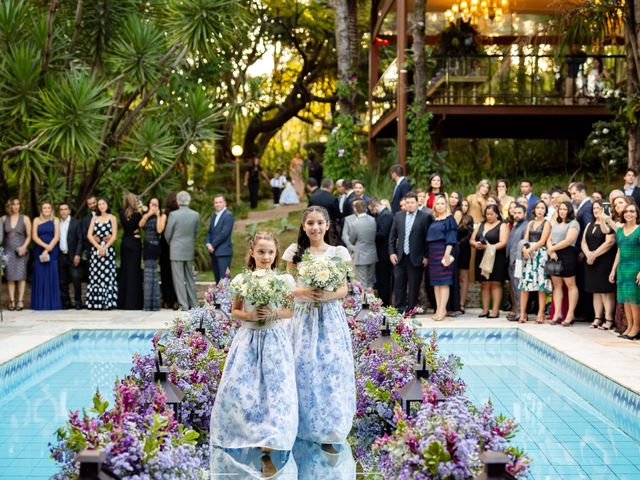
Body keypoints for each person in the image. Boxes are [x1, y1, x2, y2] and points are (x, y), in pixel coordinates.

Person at [210, 232, 297, 450]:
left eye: (270, 252)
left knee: (274, 389)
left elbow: (289, 312)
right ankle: (247, 432)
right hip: (248, 339)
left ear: (276, 253)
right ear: (252, 253)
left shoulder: (283, 280)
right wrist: (250, 316)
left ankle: (272, 438)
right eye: (261, 252)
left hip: (274, 339)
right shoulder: (242, 280)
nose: (265, 256)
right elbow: (235, 311)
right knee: (243, 387)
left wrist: (272, 314)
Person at [282, 206, 355, 445]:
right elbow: (288, 289)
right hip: (303, 317)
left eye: (319, 223)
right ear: (304, 226)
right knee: (302, 365)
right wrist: (308, 292)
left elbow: (344, 288)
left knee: (330, 367)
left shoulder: (338, 252)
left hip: (330, 317)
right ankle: (302, 423)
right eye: (310, 223)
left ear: (327, 225)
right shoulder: (295, 252)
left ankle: (329, 424)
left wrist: (326, 295)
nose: (315, 227)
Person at [388, 192, 429, 313]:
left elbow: (427, 239)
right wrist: (392, 253)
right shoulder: (398, 216)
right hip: (400, 257)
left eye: (412, 202)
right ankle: (399, 309)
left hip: (416, 257)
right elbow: (392, 237)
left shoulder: (425, 217)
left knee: (414, 286)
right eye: (407, 203)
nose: (410, 205)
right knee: (399, 285)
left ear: (417, 203)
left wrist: (426, 256)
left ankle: (411, 310)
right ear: (404, 204)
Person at [582, 200, 617, 330]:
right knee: (595, 291)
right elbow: (583, 241)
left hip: (604, 260)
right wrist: (587, 254)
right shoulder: (589, 224)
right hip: (591, 261)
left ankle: (608, 319)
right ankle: (597, 318)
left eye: (599, 207)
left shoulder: (608, 224)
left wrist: (594, 255)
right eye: (594, 208)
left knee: (606, 291)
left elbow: (609, 242)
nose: (596, 210)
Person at [471, 204, 508, 318]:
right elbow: (472, 239)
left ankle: (495, 311)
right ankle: (485, 310)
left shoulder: (502, 225)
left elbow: (503, 242)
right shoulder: (481, 225)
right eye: (487, 214)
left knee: (495, 283)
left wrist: (489, 247)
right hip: (481, 257)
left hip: (497, 258)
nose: (489, 216)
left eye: (491, 214)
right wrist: (476, 244)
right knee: (484, 284)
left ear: (497, 214)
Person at [546, 201, 581, 326]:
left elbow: (568, 241)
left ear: (569, 210)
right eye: (560, 209)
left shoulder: (574, 223)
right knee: (557, 286)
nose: (562, 211)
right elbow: (549, 240)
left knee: (570, 285)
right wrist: (551, 251)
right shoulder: (555, 224)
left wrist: (553, 248)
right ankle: (558, 314)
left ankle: (570, 314)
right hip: (554, 255)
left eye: (565, 209)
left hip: (567, 255)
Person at [164, 191, 200, 310]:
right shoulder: (195, 214)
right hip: (188, 248)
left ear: (178, 201)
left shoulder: (173, 215)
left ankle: (183, 305)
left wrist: (172, 243)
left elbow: (167, 233)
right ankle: (194, 304)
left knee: (178, 279)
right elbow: (195, 232)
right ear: (188, 200)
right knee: (190, 277)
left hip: (176, 249)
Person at [609, 203, 640, 339]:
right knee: (626, 299)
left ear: (637, 214)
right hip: (622, 268)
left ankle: (636, 328)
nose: (629, 214)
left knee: (634, 300)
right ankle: (629, 326)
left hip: (635, 268)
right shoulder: (620, 231)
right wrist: (613, 269)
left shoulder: (639, 230)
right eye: (626, 211)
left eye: (632, 211)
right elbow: (619, 251)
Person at [518, 201, 552, 324]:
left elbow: (543, 241)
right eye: (538, 207)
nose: (540, 210)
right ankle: (522, 313)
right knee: (525, 285)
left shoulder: (547, 223)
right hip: (528, 255)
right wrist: (524, 249)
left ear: (545, 210)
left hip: (540, 255)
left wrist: (530, 249)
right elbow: (525, 239)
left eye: (543, 208)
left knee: (541, 286)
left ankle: (540, 313)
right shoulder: (530, 223)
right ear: (534, 210)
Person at [426, 196, 457, 321]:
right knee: (436, 283)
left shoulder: (449, 219)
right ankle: (438, 309)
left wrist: (447, 254)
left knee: (444, 282)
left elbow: (451, 238)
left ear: (446, 205)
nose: (439, 206)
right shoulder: (435, 219)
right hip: (433, 253)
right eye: (437, 203)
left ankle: (442, 309)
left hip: (443, 251)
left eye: (442, 203)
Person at [86, 198, 118, 310]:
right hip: (96, 250)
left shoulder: (112, 218)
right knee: (96, 276)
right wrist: (98, 247)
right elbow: (89, 235)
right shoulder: (94, 218)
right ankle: (96, 303)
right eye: (99, 204)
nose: (101, 206)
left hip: (108, 250)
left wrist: (104, 247)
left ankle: (108, 302)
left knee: (107, 276)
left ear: (107, 205)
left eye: (103, 203)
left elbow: (114, 236)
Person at [570, 182, 595, 322]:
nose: (572, 197)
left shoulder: (586, 208)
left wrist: (584, 252)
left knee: (585, 282)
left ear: (581, 192)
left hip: (584, 251)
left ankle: (587, 313)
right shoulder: (583, 207)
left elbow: (588, 230)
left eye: (574, 193)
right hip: (581, 250)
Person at [31, 201, 61, 310]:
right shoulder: (36, 220)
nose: (47, 210)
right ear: (41, 210)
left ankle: (52, 304)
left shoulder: (56, 220)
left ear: (51, 209)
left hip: (52, 251)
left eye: (49, 208)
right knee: (40, 275)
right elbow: (34, 236)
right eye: (44, 208)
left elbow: (57, 236)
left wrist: (48, 249)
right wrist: (45, 247)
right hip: (39, 249)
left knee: (51, 274)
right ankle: (40, 304)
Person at [2, 198, 31, 311]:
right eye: (14, 204)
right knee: (10, 277)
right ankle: (12, 301)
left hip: (21, 251)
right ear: (10, 206)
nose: (16, 206)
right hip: (8, 251)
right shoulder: (4, 219)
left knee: (21, 276)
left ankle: (20, 301)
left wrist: (24, 246)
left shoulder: (25, 219)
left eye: (18, 204)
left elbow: (29, 236)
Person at [342, 199, 377, 289]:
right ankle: (371, 302)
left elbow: (352, 238)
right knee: (370, 282)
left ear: (355, 209)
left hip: (360, 255)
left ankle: (365, 303)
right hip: (372, 254)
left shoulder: (355, 223)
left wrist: (353, 245)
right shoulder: (373, 220)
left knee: (362, 283)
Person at [139, 197, 166, 311]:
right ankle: (147, 304)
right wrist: (149, 213)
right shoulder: (145, 214)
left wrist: (158, 214)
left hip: (155, 246)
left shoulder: (162, 215)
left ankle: (154, 304)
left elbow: (159, 230)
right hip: (147, 246)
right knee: (147, 275)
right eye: (152, 203)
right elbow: (140, 225)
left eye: (156, 204)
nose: (153, 205)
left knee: (153, 275)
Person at [118, 192, 143, 310]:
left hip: (125, 242)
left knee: (125, 271)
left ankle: (123, 302)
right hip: (135, 243)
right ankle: (134, 302)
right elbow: (139, 227)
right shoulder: (138, 214)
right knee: (135, 272)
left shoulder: (121, 214)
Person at [57, 202, 83, 309]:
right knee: (62, 280)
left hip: (73, 255)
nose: (63, 211)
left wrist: (78, 254)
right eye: (61, 209)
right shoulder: (57, 223)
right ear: (59, 212)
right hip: (61, 255)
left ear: (69, 211)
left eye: (65, 209)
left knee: (76, 278)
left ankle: (78, 301)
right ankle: (66, 302)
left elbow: (81, 240)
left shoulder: (76, 223)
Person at [206, 194, 235, 285]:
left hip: (223, 252)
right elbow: (209, 232)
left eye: (220, 202)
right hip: (214, 252)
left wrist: (212, 245)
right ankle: (219, 299)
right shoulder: (214, 216)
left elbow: (224, 233)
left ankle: (226, 299)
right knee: (217, 280)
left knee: (224, 279)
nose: (218, 204)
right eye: (216, 202)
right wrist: (208, 243)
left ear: (225, 203)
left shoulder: (228, 215)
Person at [506, 204, 528, 321]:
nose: (516, 215)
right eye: (515, 213)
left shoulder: (526, 226)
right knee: (515, 288)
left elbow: (525, 243)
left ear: (524, 214)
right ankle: (518, 311)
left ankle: (521, 313)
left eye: (519, 213)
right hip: (511, 260)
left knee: (519, 288)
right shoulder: (515, 226)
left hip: (519, 261)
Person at [370, 198, 393, 306]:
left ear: (376, 206)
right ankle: (382, 300)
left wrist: (370, 235)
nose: (372, 213)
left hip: (384, 253)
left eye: (372, 210)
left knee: (384, 279)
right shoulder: (383, 215)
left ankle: (385, 302)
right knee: (381, 279)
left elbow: (383, 233)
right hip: (381, 252)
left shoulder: (386, 215)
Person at [160, 192, 179, 309]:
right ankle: (176, 300)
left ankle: (167, 300)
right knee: (175, 275)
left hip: (164, 246)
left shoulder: (165, 213)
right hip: (174, 245)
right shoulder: (178, 214)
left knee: (165, 275)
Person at [457, 199, 475, 312]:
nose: (464, 207)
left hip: (464, 250)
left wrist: (458, 245)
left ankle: (462, 304)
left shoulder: (469, 219)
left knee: (463, 277)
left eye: (466, 205)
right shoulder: (453, 216)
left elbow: (469, 235)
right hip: (452, 249)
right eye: (462, 205)